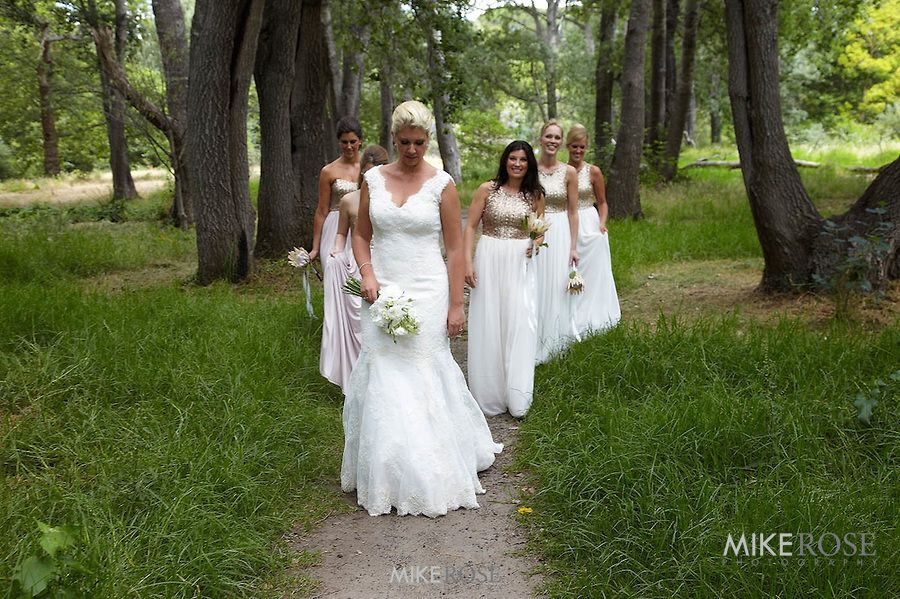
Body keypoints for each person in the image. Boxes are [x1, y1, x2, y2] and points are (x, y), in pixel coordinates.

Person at [341, 101, 503, 517]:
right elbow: (361, 237)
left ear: (428, 140)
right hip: (382, 288)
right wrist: (368, 274)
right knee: (383, 370)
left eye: (420, 142)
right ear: (394, 139)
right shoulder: (373, 179)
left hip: (428, 289)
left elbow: (452, 249)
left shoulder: (442, 184)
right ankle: (385, 467)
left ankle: (432, 465)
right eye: (405, 142)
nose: (412, 149)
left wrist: (455, 304)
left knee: (422, 368)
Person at [464, 141, 545, 418]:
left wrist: (536, 242)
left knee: (518, 321)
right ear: (505, 160)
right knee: (489, 320)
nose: (517, 164)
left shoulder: (535, 195)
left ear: (529, 163)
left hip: (519, 261)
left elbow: (540, 230)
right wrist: (467, 261)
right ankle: (489, 393)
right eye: (513, 158)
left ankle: (517, 392)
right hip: (489, 256)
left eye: (523, 159)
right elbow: (471, 226)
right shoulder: (487, 190)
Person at [320, 145, 390, 391]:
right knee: (358, 322)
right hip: (355, 262)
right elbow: (341, 235)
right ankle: (354, 376)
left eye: (378, 172)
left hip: (383, 260)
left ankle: (384, 376)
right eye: (368, 173)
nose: (372, 179)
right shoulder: (350, 200)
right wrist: (335, 252)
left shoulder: (390, 201)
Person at [566, 124, 621, 334]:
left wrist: (602, 223)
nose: (578, 151)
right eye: (574, 147)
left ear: (586, 147)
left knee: (594, 272)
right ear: (567, 146)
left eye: (581, 147)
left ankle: (594, 314)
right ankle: (572, 314)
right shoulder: (563, 171)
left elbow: (603, 202)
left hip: (589, 221)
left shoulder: (594, 171)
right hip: (569, 222)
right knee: (571, 270)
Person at [533, 121, 580, 363]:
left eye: (557, 137)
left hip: (560, 230)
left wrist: (573, 246)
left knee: (557, 285)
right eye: (548, 136)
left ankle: (557, 341)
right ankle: (534, 340)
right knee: (536, 284)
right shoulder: (530, 169)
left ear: (561, 142)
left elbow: (573, 211)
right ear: (541, 139)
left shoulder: (569, 172)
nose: (552, 141)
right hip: (537, 228)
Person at [308, 117, 362, 265]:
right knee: (334, 266)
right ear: (339, 142)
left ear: (360, 141)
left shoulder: (367, 170)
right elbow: (321, 210)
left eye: (353, 141)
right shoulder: (328, 171)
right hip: (334, 226)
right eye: (344, 142)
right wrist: (315, 248)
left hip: (360, 225)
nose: (349, 146)